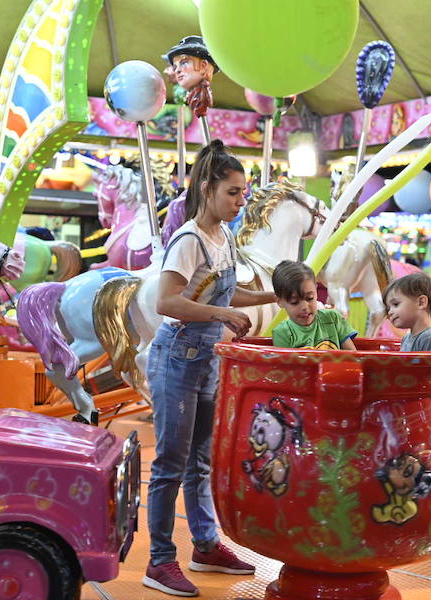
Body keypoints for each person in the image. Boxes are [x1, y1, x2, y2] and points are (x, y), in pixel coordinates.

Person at [144, 140, 275, 597]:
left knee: (200, 462)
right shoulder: (188, 239)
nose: (241, 202)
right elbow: (168, 302)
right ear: (207, 188)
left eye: (243, 193)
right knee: (169, 464)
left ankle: (204, 545)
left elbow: (220, 295)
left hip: (204, 363)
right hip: (177, 356)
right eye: (234, 193)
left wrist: (271, 296)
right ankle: (159, 560)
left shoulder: (223, 238)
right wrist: (222, 318)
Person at [271, 260, 357, 350]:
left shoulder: (333, 319)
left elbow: (352, 356)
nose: (304, 307)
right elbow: (285, 363)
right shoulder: (282, 333)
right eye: (294, 302)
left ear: (316, 291)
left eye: (310, 298)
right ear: (279, 301)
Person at [384, 272, 431, 351]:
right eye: (388, 308)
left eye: (396, 304)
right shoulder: (407, 338)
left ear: (421, 302)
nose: (390, 312)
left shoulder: (429, 338)